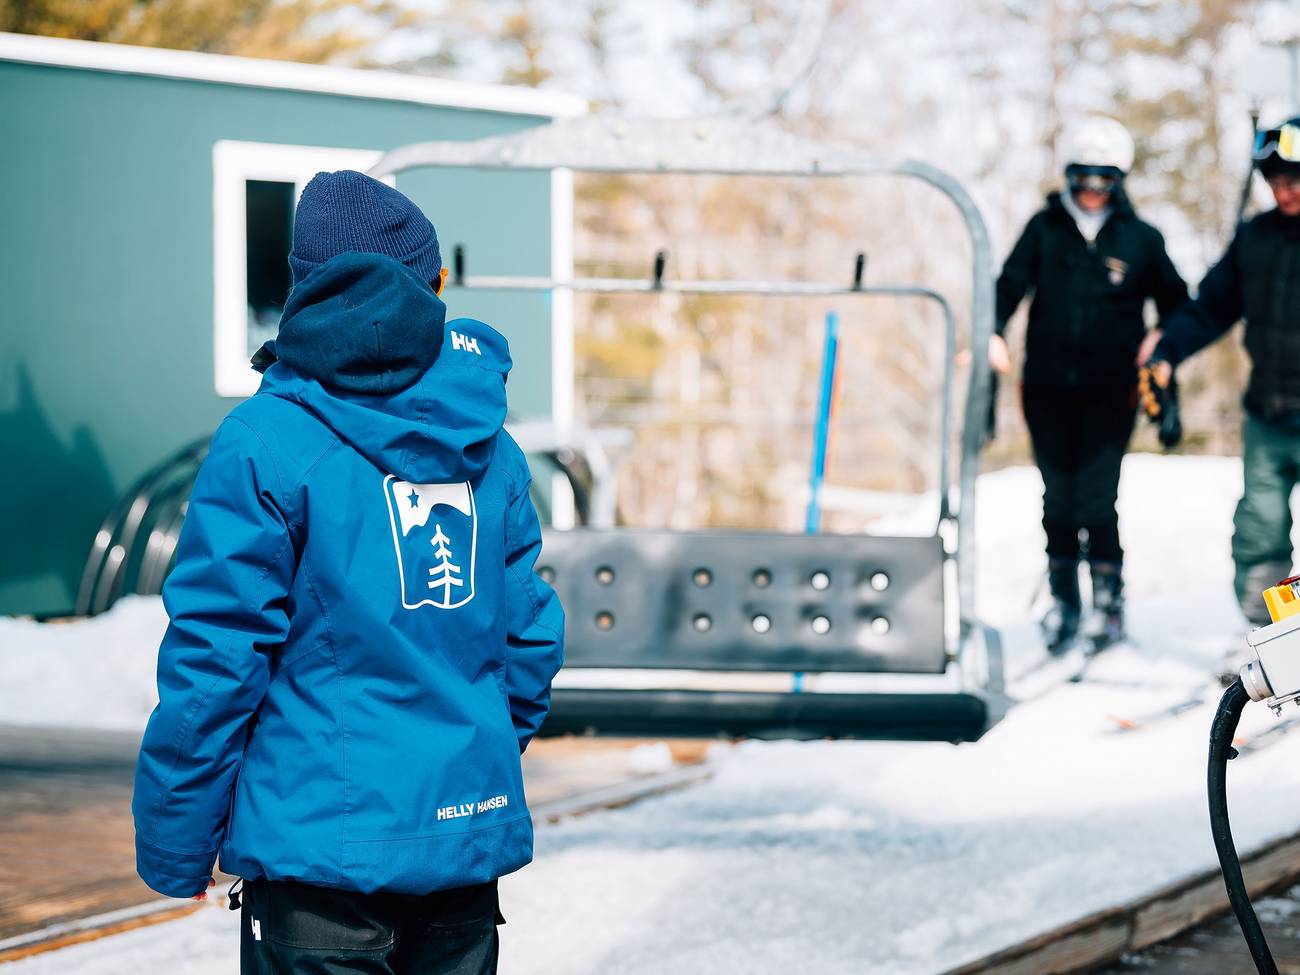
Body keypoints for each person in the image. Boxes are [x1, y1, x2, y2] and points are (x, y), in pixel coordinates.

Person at [132, 171, 565, 974]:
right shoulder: (491, 445)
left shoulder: (264, 440)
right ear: (433, 285)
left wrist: (176, 840)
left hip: (316, 866)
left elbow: (216, 662)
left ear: (306, 291)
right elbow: (528, 637)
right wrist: (458, 763)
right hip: (459, 856)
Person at [992, 117, 1188, 652]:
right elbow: (1007, 285)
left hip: (1111, 391)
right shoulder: (1044, 228)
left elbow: (1178, 303)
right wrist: (991, 331)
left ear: (1119, 180)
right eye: (1083, 179)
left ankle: (1109, 602)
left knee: (1097, 500)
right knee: (1057, 500)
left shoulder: (1141, 238)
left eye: (1104, 180)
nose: (1093, 191)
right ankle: (1064, 600)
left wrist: (1161, 343)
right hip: (1048, 388)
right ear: (1069, 176)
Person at [1141, 117, 1300, 657]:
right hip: (1269, 415)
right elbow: (1210, 307)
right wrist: (1166, 353)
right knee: (1261, 528)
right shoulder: (1255, 239)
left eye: (1296, 178)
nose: (1286, 190)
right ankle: (1270, 638)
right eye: (1276, 179)